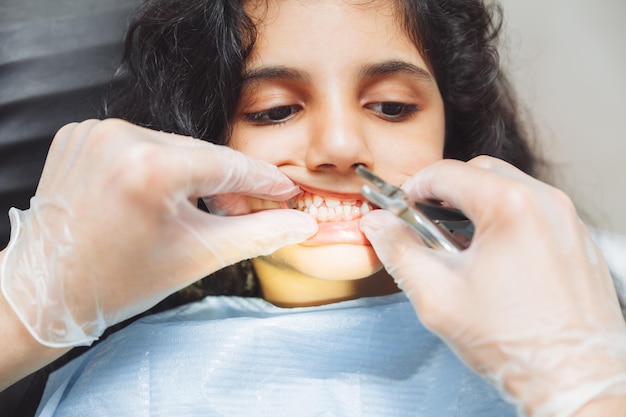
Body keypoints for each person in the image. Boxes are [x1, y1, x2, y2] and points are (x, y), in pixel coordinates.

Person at [1, 0, 625, 415]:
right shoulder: (129, 386)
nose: (340, 147)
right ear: (199, 143)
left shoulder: (584, 312)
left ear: (451, 131)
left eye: (391, 107)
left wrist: (585, 386)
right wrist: (24, 310)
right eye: (274, 110)